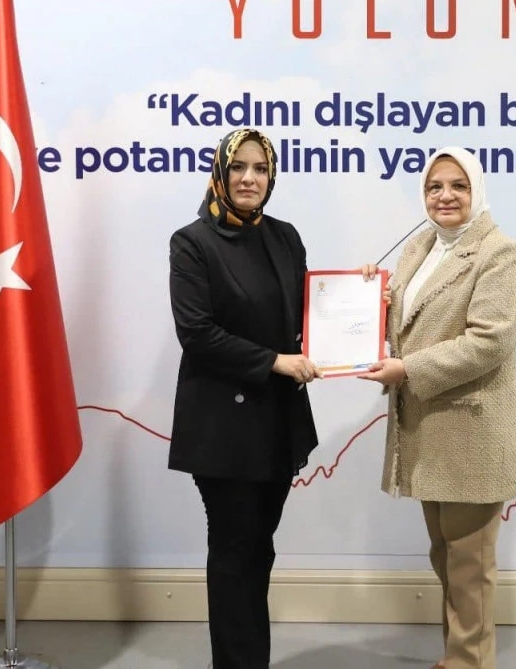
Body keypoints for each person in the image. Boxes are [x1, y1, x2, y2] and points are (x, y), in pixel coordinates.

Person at [359, 147, 516, 669]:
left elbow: (489, 342)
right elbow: (405, 326)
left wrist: (407, 369)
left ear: (477, 190)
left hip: (473, 434)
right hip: (429, 431)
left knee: (469, 564)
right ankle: (459, 655)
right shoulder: (420, 248)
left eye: (458, 185)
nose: (445, 196)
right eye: (435, 186)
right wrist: (367, 299)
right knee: (447, 557)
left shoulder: (499, 253)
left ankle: (471, 661)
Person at [166, 128, 320, 669]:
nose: (249, 178)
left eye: (260, 169)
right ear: (221, 172)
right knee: (234, 551)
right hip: (223, 428)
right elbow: (197, 334)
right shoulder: (192, 242)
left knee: (259, 548)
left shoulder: (285, 237)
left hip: (278, 421)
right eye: (238, 167)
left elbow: (310, 313)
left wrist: (364, 295)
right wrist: (275, 361)